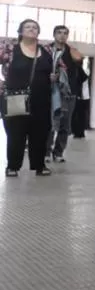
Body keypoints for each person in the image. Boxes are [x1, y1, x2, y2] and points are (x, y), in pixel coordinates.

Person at [0, 19, 63, 177]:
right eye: (27, 27)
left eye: (35, 27)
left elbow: (60, 67)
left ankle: (39, 165)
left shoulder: (47, 50)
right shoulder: (9, 48)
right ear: (20, 31)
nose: (31, 29)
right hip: (16, 98)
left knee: (40, 133)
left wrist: (55, 76)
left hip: (41, 99)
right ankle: (12, 166)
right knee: (15, 133)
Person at [47, 25, 84, 163]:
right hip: (50, 91)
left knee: (65, 124)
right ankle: (46, 151)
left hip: (68, 93)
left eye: (65, 33)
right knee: (49, 123)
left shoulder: (72, 51)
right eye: (59, 33)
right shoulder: (46, 50)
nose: (62, 35)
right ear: (54, 34)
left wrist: (78, 60)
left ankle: (58, 152)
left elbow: (79, 70)